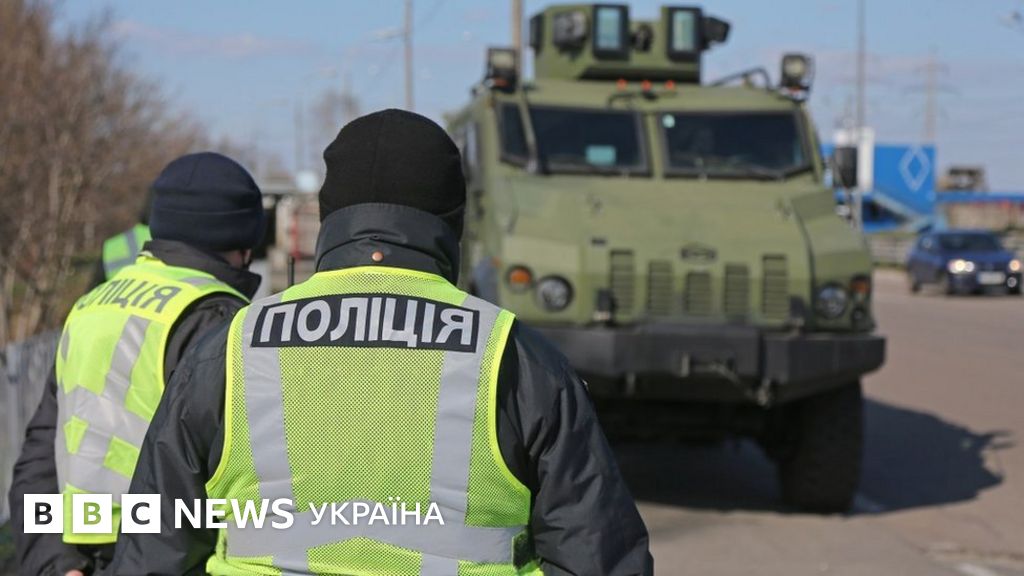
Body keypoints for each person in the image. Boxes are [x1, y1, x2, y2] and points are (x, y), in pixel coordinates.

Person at [112, 109, 653, 575]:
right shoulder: (515, 358)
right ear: (451, 222)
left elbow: (154, 544)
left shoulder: (229, 349)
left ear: (330, 219)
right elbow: (597, 555)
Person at [9, 152, 265, 576]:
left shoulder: (91, 305)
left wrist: (57, 563)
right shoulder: (220, 320)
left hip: (78, 554)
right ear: (243, 240)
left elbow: (39, 455)